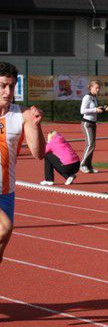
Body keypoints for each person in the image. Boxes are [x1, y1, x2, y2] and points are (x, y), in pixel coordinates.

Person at [0, 62, 45, 264]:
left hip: (6, 192)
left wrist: (37, 126)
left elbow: (38, 153)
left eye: (11, 86)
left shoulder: (23, 115)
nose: (8, 91)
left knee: (3, 241)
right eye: (2, 86)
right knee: (5, 227)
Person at [80, 80, 108, 174]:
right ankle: (82, 165)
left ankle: (89, 166)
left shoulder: (94, 97)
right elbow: (82, 111)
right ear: (90, 87)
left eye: (98, 88)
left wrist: (102, 108)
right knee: (90, 144)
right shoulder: (87, 97)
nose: (98, 89)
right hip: (86, 123)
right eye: (96, 87)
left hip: (93, 123)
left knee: (92, 145)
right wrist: (95, 109)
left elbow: (95, 110)